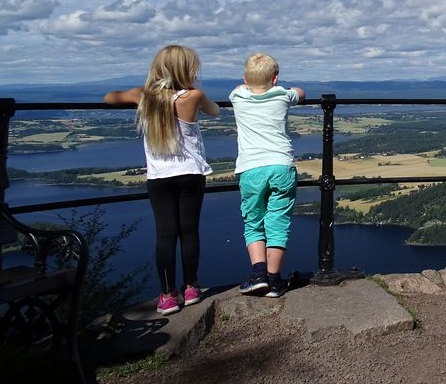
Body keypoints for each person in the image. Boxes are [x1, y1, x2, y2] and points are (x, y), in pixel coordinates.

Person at [104, 44, 219, 315]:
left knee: (165, 234)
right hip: (190, 174)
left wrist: (141, 94)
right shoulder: (193, 96)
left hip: (159, 177)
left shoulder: (143, 96)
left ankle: (167, 295)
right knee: (189, 231)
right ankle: (191, 287)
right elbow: (214, 111)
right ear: (187, 70)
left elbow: (109, 97)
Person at [229, 53, 305, 298]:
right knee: (278, 222)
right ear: (276, 78)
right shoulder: (283, 95)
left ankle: (258, 275)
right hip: (281, 166)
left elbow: (241, 87)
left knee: (254, 221)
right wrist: (286, 88)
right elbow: (300, 92)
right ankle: (274, 281)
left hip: (251, 169)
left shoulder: (237, 96)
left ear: (245, 78)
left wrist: (249, 83)